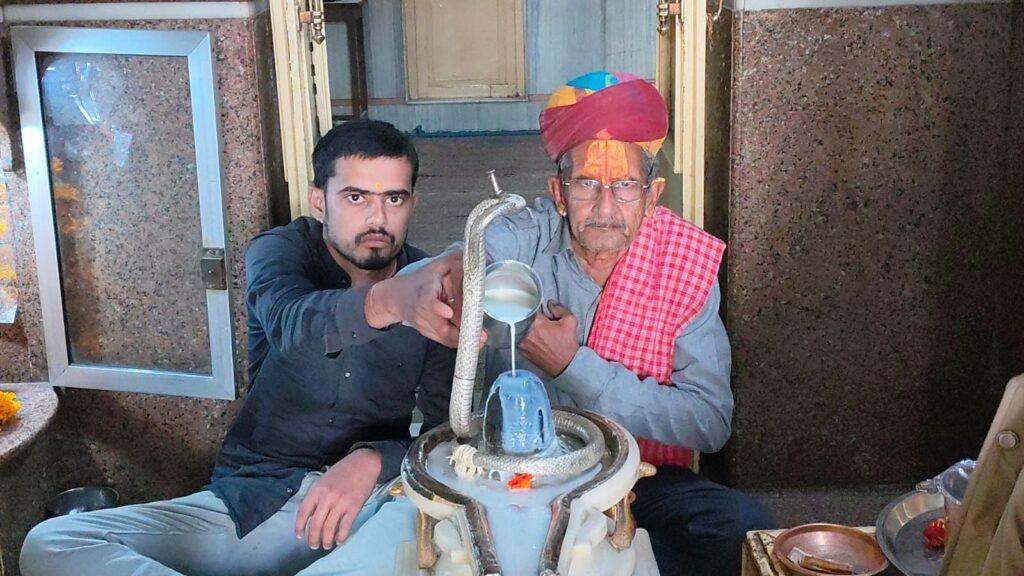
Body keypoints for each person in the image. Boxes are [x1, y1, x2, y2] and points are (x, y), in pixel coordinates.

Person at [20, 119, 460, 576]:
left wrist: (373, 460)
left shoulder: (434, 293)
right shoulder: (280, 251)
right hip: (261, 498)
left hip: (372, 500)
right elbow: (293, 323)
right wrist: (393, 301)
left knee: (441, 521)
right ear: (319, 202)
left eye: (394, 199)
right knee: (51, 543)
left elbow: (444, 434)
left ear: (412, 202)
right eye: (356, 197)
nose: (378, 219)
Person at [479, 70, 776, 576]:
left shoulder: (684, 265)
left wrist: (574, 366)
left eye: (624, 186)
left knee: (741, 527)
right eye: (586, 184)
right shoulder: (525, 238)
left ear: (652, 195)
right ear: (558, 193)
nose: (604, 206)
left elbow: (709, 422)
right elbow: (469, 259)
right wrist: (444, 280)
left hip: (637, 475)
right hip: (520, 475)